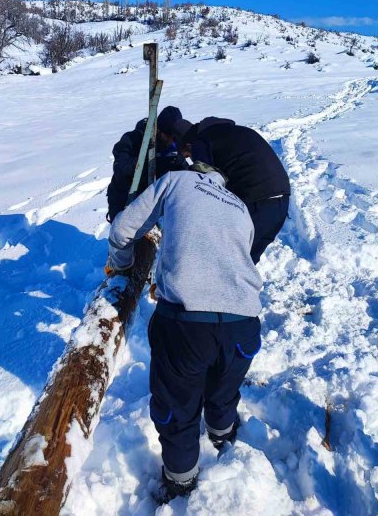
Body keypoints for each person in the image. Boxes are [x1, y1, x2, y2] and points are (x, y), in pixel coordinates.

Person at [107, 162, 263, 504]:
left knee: (177, 409)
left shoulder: (177, 180)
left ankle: (180, 484)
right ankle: (224, 436)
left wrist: (122, 266)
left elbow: (122, 229)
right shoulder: (240, 207)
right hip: (245, 325)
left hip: (187, 325)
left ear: (195, 169)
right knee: (223, 390)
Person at [168, 116, 291, 263]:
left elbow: (203, 184)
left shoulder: (201, 142)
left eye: (188, 155)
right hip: (281, 200)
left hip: (256, 201)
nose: (190, 158)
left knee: (230, 263)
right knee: (246, 264)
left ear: (188, 144)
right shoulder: (234, 132)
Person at [106, 105, 189, 222]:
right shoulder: (133, 139)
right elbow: (121, 168)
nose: (172, 142)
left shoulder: (173, 145)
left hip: (151, 202)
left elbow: (182, 170)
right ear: (158, 130)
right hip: (125, 199)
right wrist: (152, 161)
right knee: (124, 237)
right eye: (169, 136)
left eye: (174, 138)